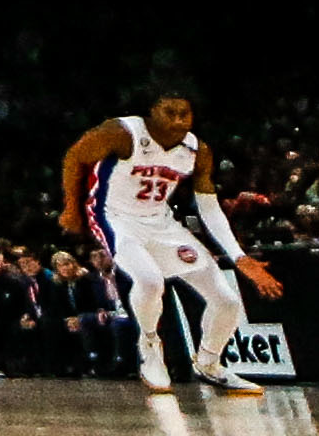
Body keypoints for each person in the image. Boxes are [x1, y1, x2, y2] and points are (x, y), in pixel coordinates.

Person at [59, 91, 278, 397]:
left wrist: (239, 257)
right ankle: (149, 343)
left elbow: (209, 206)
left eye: (184, 113)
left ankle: (209, 363)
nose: (177, 120)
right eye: (169, 112)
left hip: (162, 222)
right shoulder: (122, 132)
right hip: (115, 216)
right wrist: (72, 207)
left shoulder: (196, 150)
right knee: (150, 281)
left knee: (227, 301)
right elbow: (74, 157)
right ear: (151, 112)